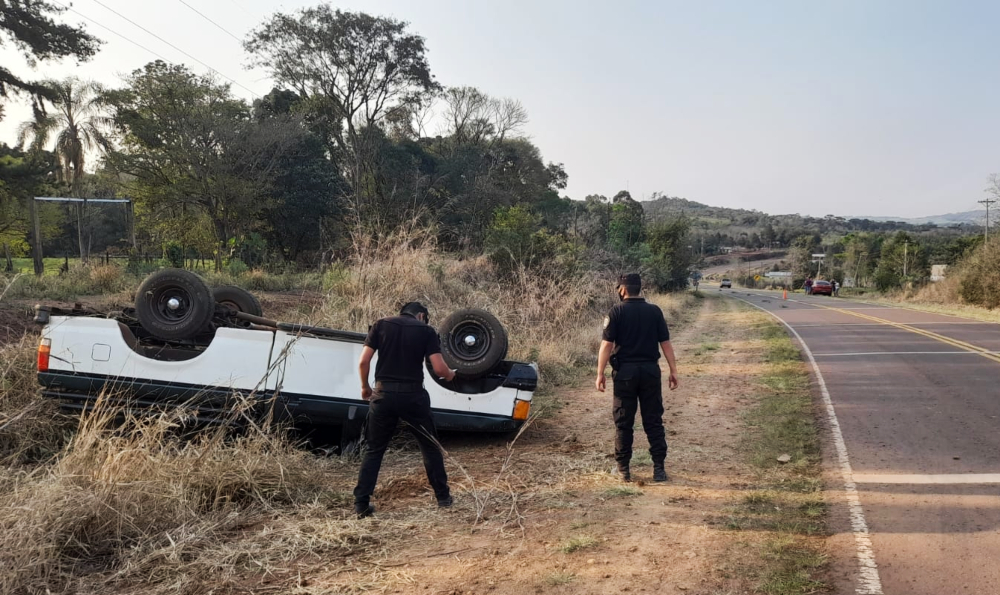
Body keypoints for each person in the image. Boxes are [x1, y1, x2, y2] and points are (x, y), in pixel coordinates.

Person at [353, 302, 458, 518]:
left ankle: (361, 505)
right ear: (421, 315)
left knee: (374, 450)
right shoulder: (426, 331)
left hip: (383, 395)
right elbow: (438, 368)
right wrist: (450, 375)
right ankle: (443, 498)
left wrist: (365, 387)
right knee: (429, 447)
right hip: (413, 398)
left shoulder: (380, 325)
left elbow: (364, 362)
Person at [595, 273, 679, 483]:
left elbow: (606, 345)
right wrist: (673, 370)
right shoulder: (654, 311)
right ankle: (659, 469)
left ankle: (623, 470)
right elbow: (666, 343)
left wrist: (600, 373)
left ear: (622, 290)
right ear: (640, 288)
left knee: (624, 422)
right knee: (653, 421)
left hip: (625, 375)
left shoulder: (616, 311)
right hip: (650, 372)